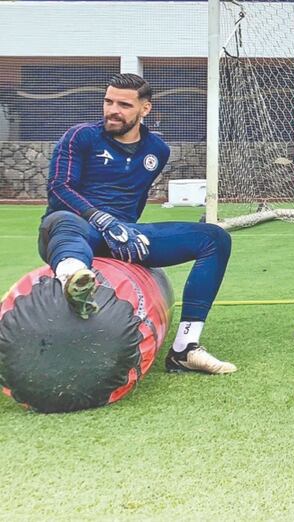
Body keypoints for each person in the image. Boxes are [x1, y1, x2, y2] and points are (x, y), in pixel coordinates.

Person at [40, 73, 236, 374]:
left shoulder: (157, 150)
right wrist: (100, 218)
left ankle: (185, 347)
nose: (112, 110)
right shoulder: (81, 136)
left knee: (215, 239)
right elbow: (59, 189)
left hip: (120, 233)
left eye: (123, 104)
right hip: (73, 228)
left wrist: (127, 231)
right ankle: (72, 277)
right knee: (66, 220)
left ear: (145, 109)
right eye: (108, 101)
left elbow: (137, 197)